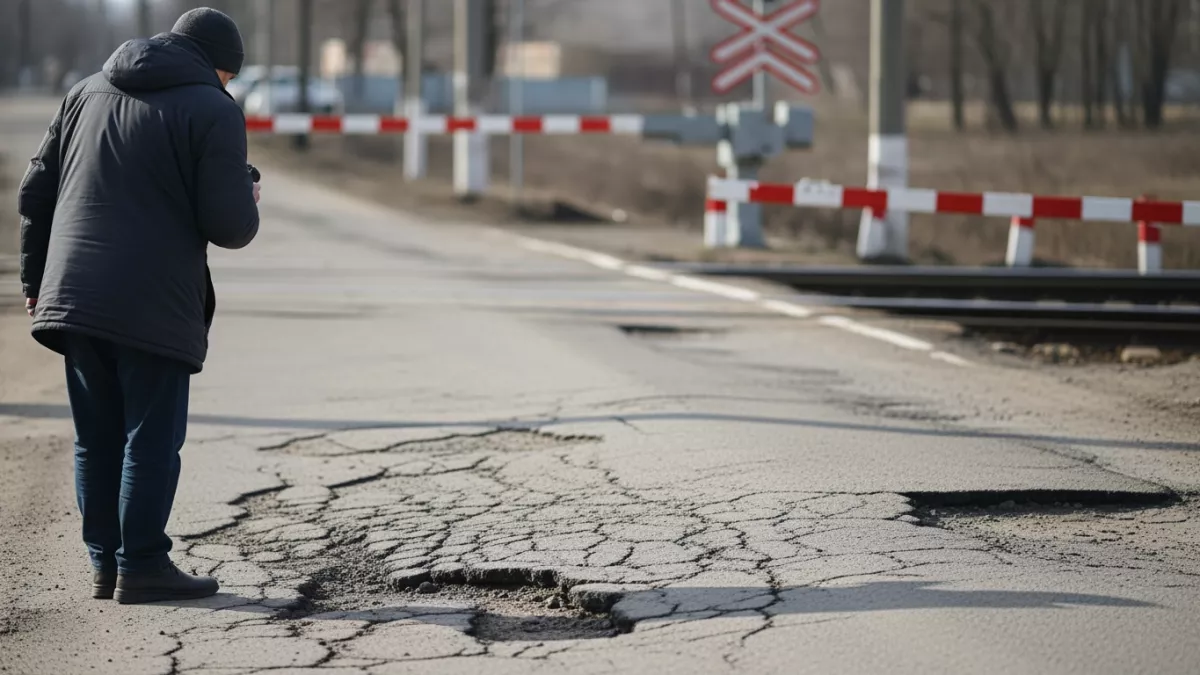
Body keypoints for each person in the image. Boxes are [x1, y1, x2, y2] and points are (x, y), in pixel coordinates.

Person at [17, 8, 260, 604]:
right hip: (152, 299)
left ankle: (106, 564)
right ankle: (144, 564)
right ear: (218, 66)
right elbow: (229, 225)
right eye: (228, 77)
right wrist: (247, 191)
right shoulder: (214, 108)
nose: (226, 86)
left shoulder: (85, 91)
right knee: (149, 438)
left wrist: (35, 280)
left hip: (73, 293)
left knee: (95, 437)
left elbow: (36, 191)